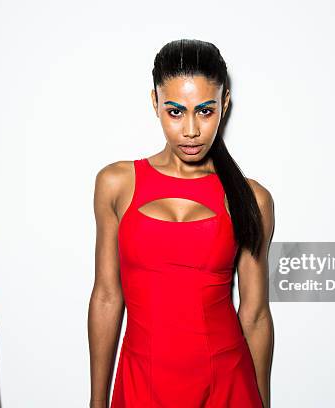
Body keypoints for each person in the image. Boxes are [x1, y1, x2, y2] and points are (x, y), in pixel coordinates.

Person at [88, 39, 274, 407]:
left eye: (205, 111)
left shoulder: (251, 198)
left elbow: (254, 315)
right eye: (176, 112)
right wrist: (97, 401)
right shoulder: (116, 183)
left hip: (228, 382)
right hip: (143, 380)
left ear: (224, 105)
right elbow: (107, 297)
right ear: (155, 103)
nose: (191, 130)